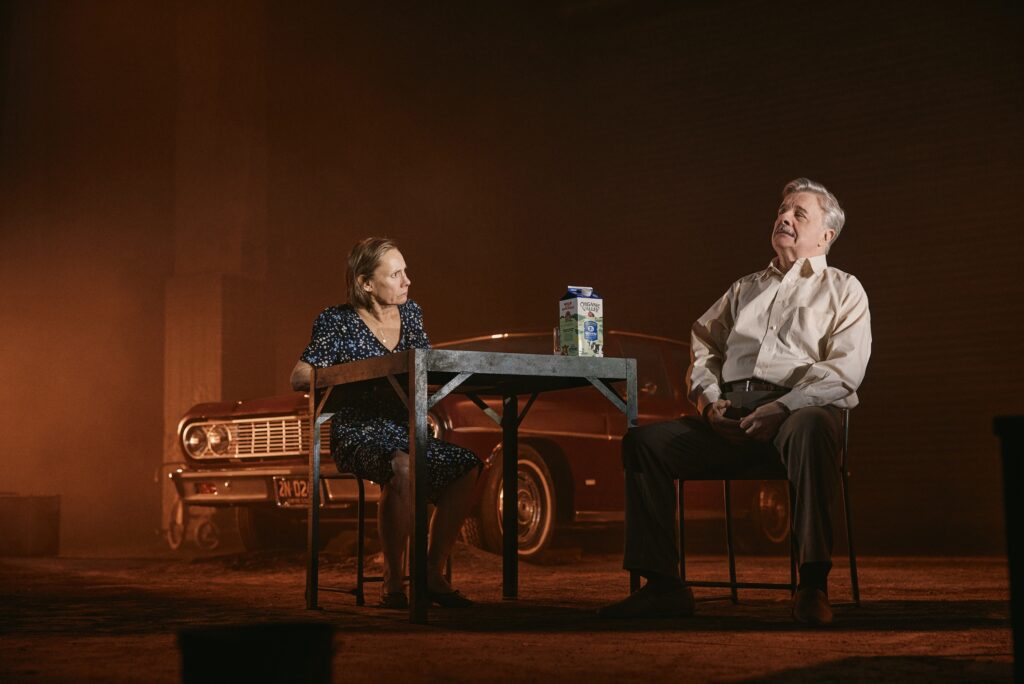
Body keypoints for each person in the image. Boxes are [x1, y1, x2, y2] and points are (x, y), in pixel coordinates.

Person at [599, 178, 871, 626]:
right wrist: (708, 403)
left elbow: (845, 370)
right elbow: (704, 344)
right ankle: (664, 586)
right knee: (645, 443)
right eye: (782, 210)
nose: (783, 217)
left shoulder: (844, 290)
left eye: (799, 213)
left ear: (827, 235)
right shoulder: (745, 288)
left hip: (795, 414)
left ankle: (812, 585)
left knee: (814, 428)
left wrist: (783, 407)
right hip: (731, 417)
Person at [291, 237, 482, 609]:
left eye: (405, 271)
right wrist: (359, 374)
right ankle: (394, 581)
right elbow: (300, 376)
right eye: (395, 274)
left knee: (467, 467)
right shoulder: (337, 321)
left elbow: (424, 367)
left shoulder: (412, 315)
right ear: (365, 283)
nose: (407, 280)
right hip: (356, 431)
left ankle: (429, 572)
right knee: (404, 466)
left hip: (405, 430)